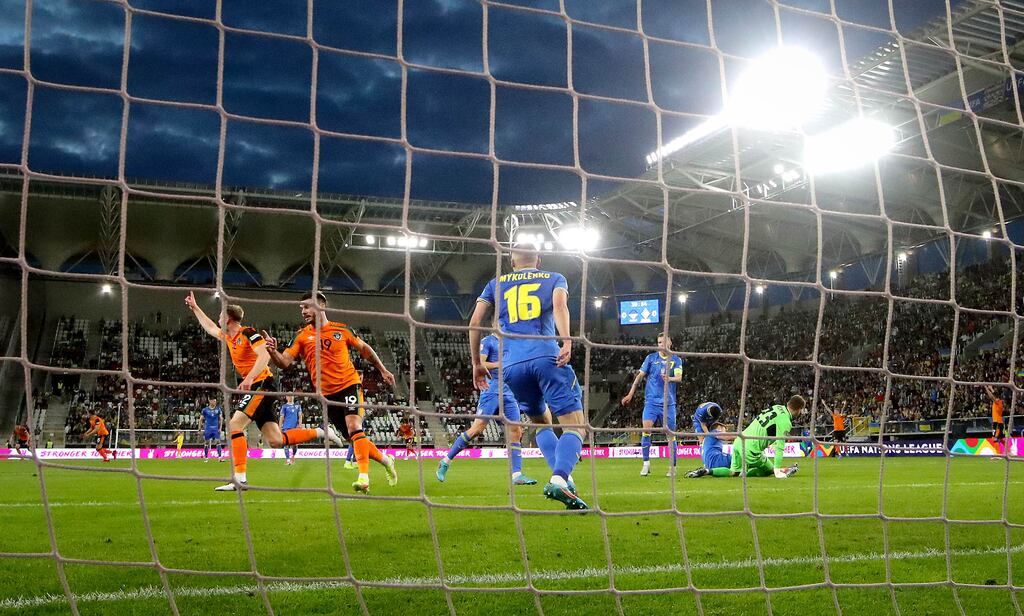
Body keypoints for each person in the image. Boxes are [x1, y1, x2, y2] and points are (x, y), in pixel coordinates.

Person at [468, 244, 587, 509]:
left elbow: (474, 323)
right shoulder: (554, 278)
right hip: (547, 356)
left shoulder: (495, 284)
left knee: (541, 422)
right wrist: (566, 340)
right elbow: (559, 307)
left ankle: (564, 481)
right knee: (576, 426)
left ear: (512, 262)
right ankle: (558, 479)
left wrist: (477, 363)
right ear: (539, 260)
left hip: (512, 366)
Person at [185, 292, 343, 491]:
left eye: (219, 316)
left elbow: (263, 356)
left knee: (234, 424)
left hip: (263, 384)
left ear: (228, 318)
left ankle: (240, 479)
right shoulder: (229, 337)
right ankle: (322, 431)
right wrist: (195, 308)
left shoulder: (248, 333)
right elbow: (209, 326)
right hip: (257, 386)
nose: (217, 319)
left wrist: (249, 378)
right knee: (276, 441)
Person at [263, 291, 398, 494]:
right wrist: (273, 351)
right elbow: (284, 362)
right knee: (354, 438)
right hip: (327, 395)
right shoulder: (301, 336)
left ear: (322, 306)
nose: (303, 311)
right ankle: (387, 461)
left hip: (349, 385)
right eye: (301, 308)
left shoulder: (341, 330)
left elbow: (365, 349)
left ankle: (363, 477)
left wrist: (382, 369)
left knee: (354, 427)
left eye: (307, 306)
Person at [436, 334, 537, 485]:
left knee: (516, 431)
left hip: (509, 393)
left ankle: (517, 474)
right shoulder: (488, 341)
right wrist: (500, 364)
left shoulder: (511, 342)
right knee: (477, 429)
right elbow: (481, 364)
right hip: (491, 391)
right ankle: (445, 461)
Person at [688, 396, 803, 479]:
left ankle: (708, 471)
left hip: (739, 442)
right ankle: (782, 470)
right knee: (770, 470)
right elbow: (780, 447)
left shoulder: (777, 407)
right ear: (799, 409)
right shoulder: (785, 421)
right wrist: (777, 470)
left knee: (733, 472)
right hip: (751, 449)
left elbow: (768, 428)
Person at [620, 333, 684, 477]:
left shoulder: (676, 360)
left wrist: (670, 378)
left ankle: (672, 467)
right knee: (646, 430)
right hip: (651, 403)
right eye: (659, 342)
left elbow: (679, 377)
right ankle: (646, 464)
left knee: (671, 435)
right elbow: (639, 376)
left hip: (668, 404)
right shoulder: (651, 358)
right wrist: (630, 393)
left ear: (670, 342)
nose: (660, 344)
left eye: (663, 342)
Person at [684, 402, 732, 476]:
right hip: (699, 422)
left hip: (710, 419)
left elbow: (715, 422)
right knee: (702, 441)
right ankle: (705, 464)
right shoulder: (702, 412)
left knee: (711, 438)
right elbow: (703, 424)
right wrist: (709, 435)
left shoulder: (718, 409)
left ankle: (706, 466)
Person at [199, 396, 224, 462]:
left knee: (218, 441)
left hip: (215, 429)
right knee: (206, 442)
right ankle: (206, 458)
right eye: (214, 401)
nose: (215, 402)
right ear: (210, 401)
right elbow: (200, 419)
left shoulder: (218, 409)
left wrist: (220, 428)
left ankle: (219, 458)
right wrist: (200, 428)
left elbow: (221, 419)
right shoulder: (205, 410)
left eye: (215, 401)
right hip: (208, 429)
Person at [280, 396, 302, 465]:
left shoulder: (297, 406)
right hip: (286, 428)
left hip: (295, 428)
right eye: (289, 396)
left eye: (291, 395)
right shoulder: (284, 406)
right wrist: (279, 427)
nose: (290, 397)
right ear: (286, 397)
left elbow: (300, 416)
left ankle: (293, 457)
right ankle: (288, 460)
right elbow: (281, 417)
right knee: (286, 444)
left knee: (294, 445)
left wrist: (300, 424)